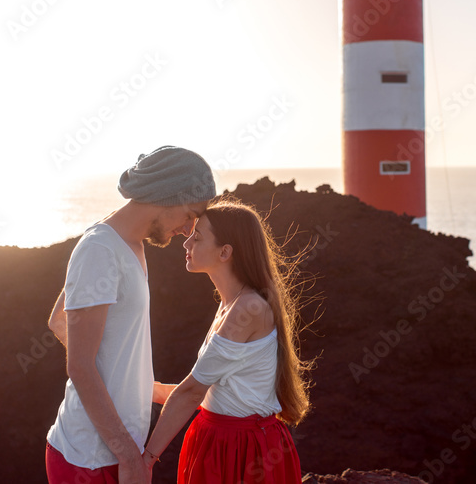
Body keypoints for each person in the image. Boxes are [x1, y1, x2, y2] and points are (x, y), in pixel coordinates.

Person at [45, 145, 216, 484]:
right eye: (190, 213)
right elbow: (80, 364)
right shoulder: (99, 250)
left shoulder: (130, 243)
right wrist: (129, 458)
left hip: (112, 452)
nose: (188, 229)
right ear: (168, 195)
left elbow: (59, 320)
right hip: (90, 459)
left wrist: (144, 388)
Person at [141, 196, 311, 483]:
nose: (186, 244)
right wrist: (140, 390)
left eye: (197, 237)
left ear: (225, 252)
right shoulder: (231, 304)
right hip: (222, 442)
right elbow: (209, 395)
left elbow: (191, 393)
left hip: (243, 450)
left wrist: (145, 461)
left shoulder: (248, 308)